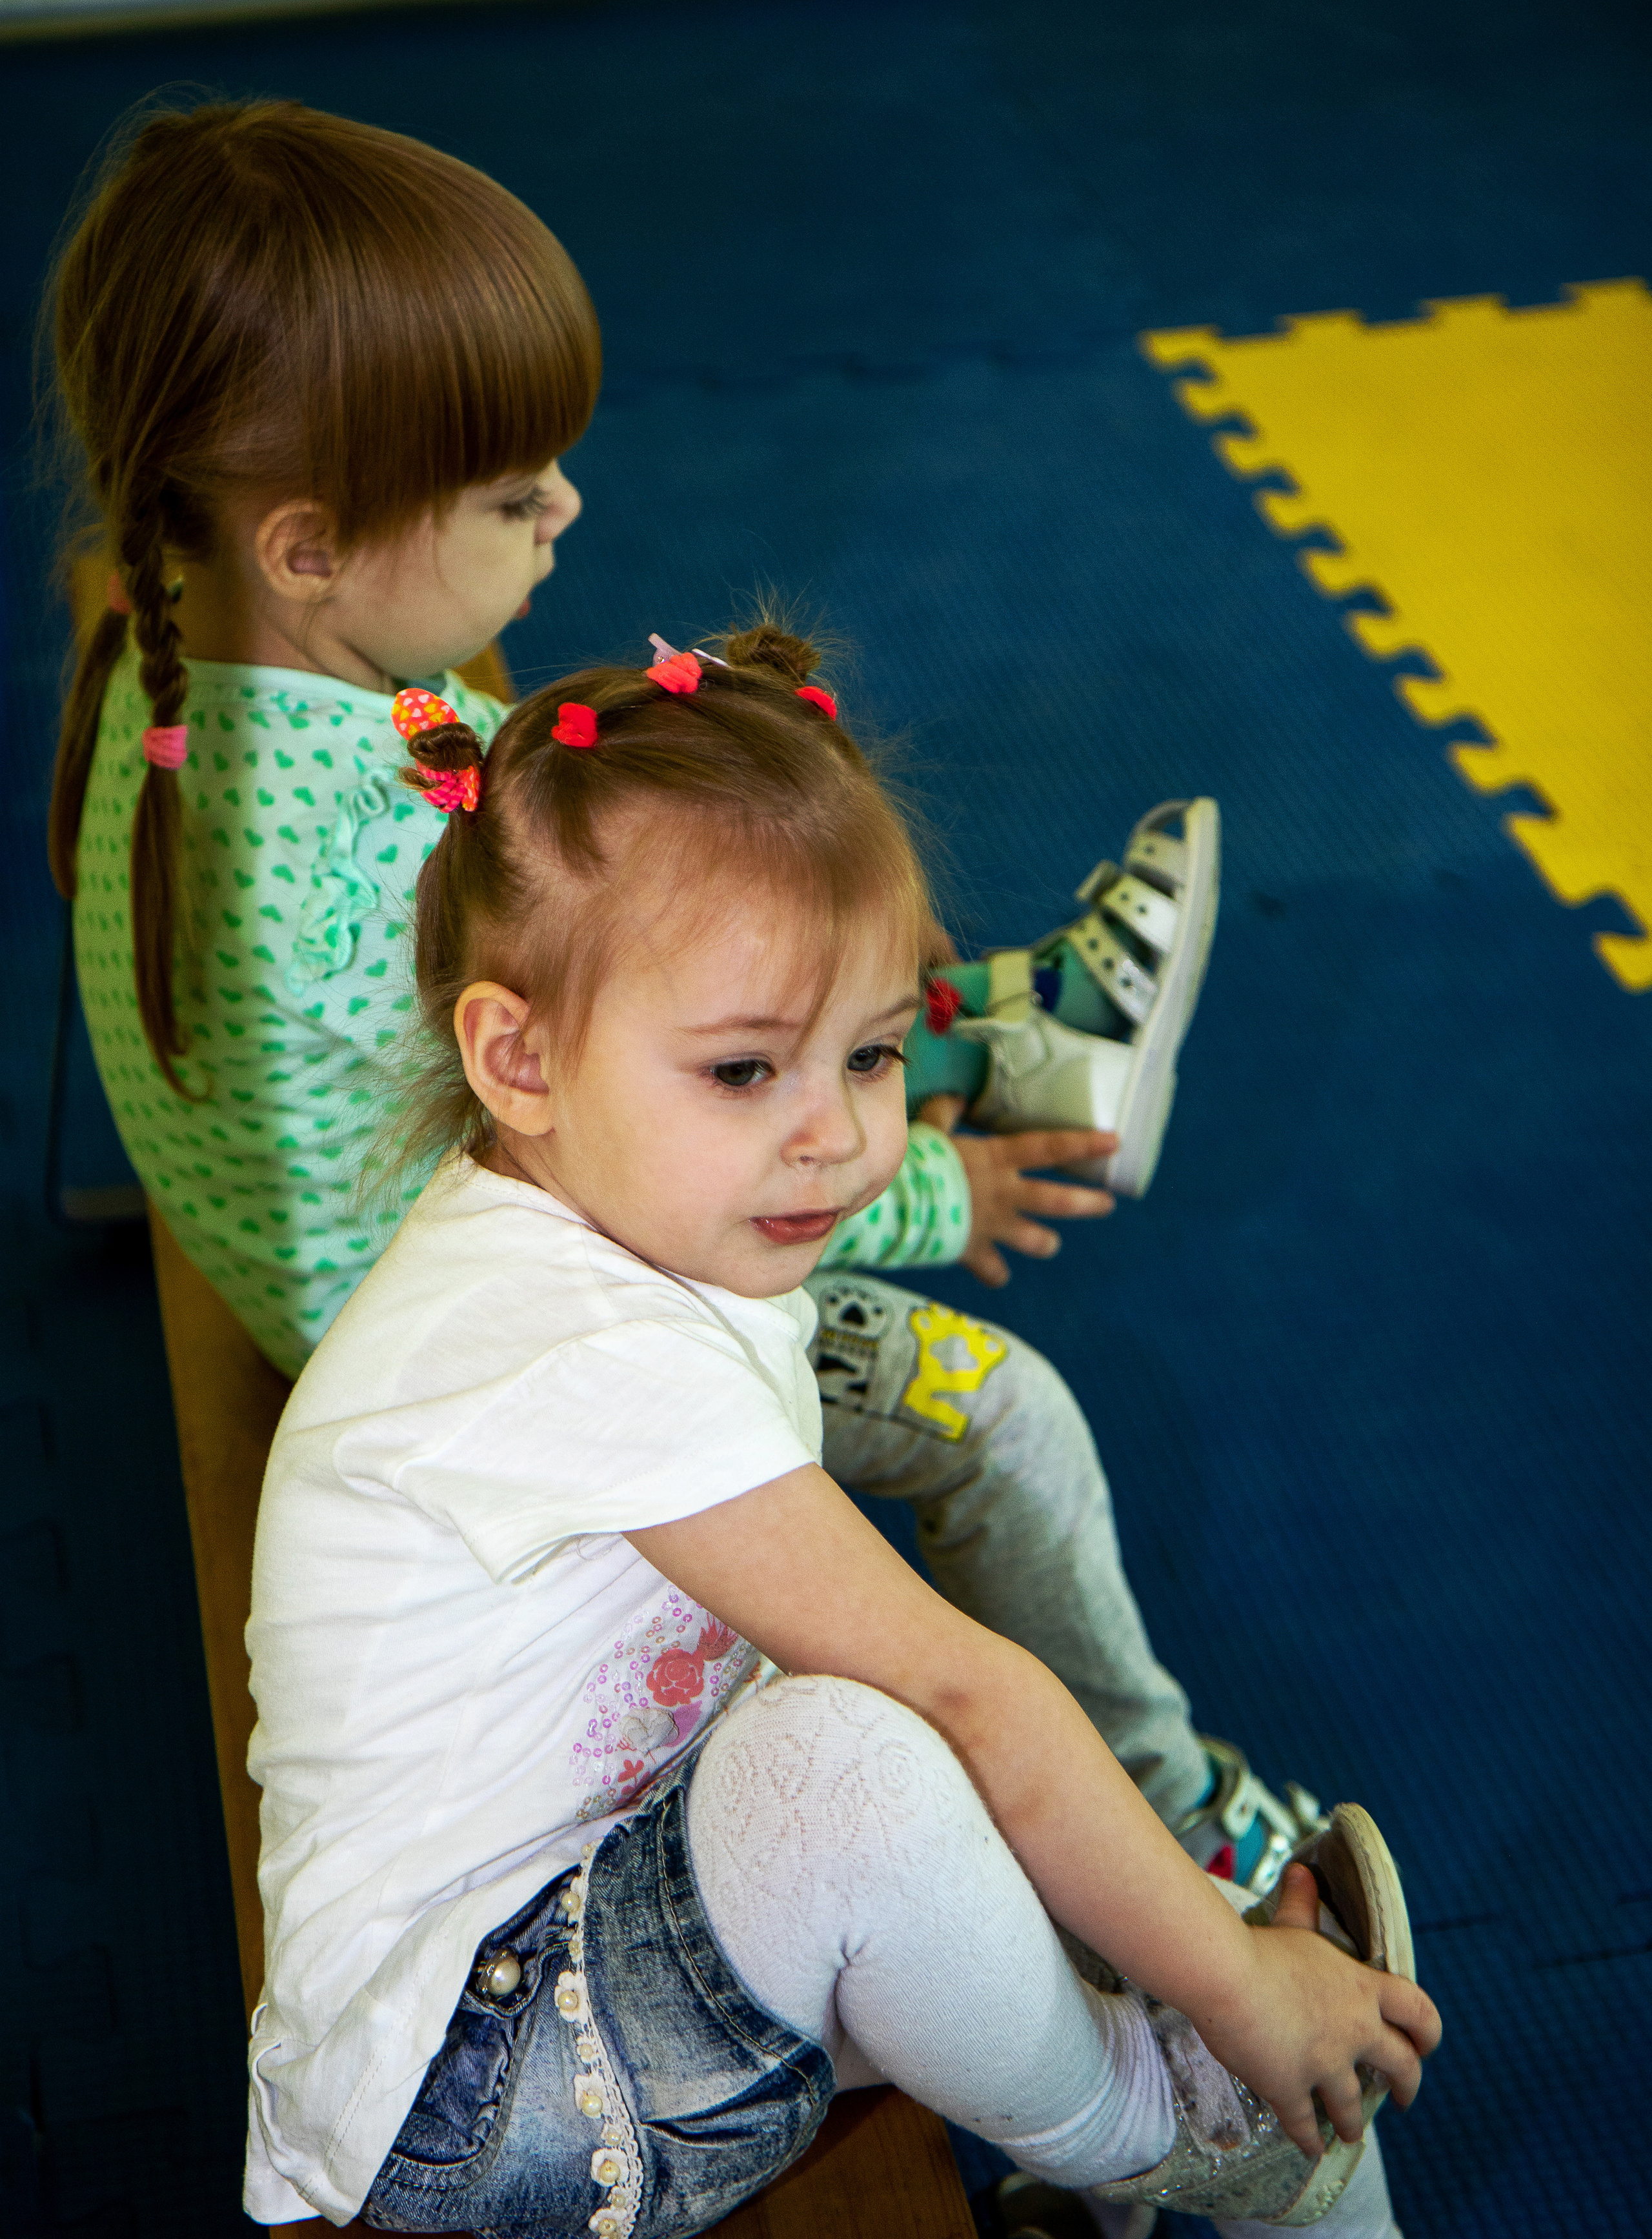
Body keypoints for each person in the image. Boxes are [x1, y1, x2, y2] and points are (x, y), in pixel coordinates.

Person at [237, 638, 1535, 2239]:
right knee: (876, 1747)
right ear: (517, 1057)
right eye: (748, 1070)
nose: (841, 1137)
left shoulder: (622, 1222)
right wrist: (1229, 1987)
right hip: (493, 2082)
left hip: (625, 1927)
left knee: (933, 1753)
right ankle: (1175, 2120)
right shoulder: (566, 1341)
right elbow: (954, 1689)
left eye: (868, 1054)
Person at [45, 98, 1321, 1912]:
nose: (567, 507)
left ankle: (1003, 1022)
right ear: (307, 544)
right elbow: (639, 1151)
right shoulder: (340, 871)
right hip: (499, 1358)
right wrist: (940, 1198)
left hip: (346, 1242)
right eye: (508, 493)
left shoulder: (186, 649)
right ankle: (1181, 1819)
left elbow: (497, 849)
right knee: (1011, 1417)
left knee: (715, 913)